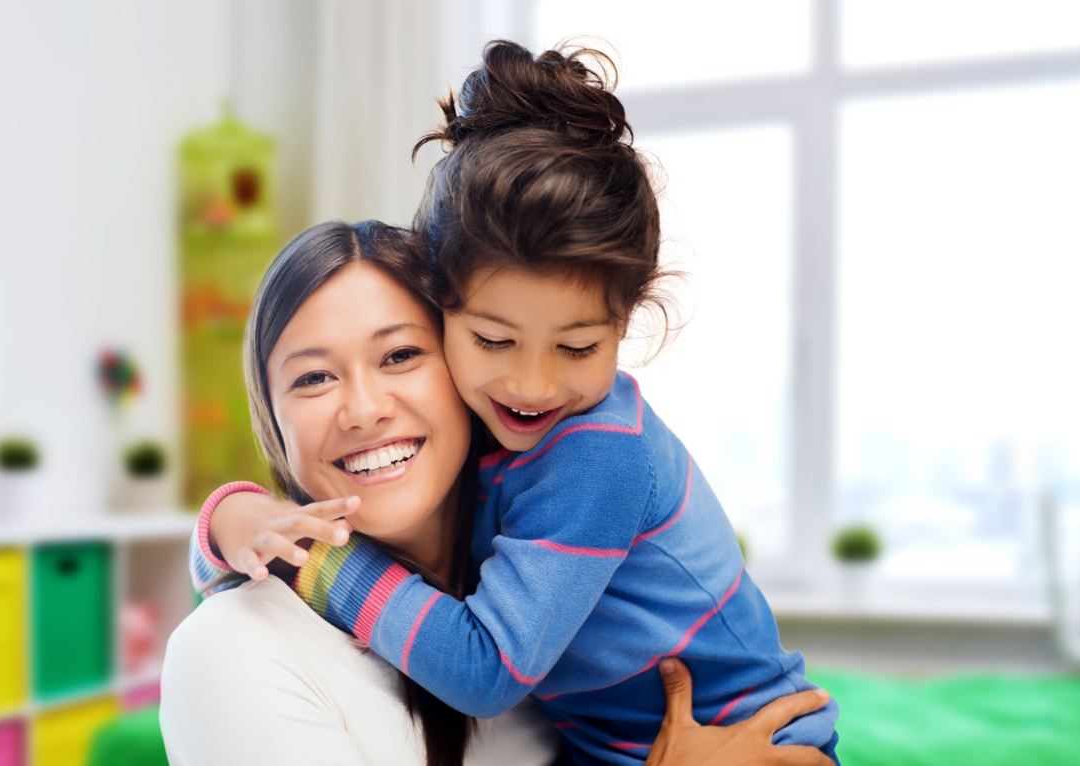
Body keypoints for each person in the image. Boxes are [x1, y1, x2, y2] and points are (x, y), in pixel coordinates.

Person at [192, 42, 839, 765]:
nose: (532, 387)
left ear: (626, 326)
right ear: (443, 307)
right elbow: (232, 570)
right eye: (494, 341)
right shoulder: (485, 430)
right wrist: (233, 521)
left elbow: (485, 670)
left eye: (577, 348)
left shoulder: (595, 451)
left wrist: (309, 558)